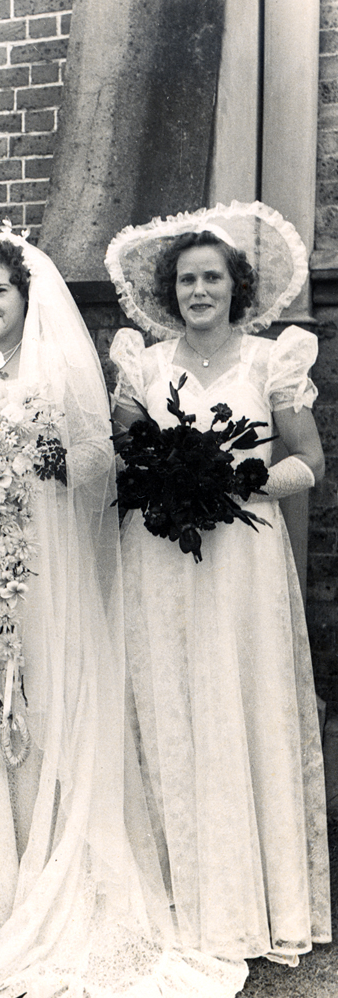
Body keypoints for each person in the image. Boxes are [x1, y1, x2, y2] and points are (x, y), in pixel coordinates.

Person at [0, 219, 249, 997]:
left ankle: (49, 853)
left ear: (24, 295)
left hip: (42, 555)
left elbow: (94, 460)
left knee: (41, 690)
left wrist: (28, 457)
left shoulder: (54, 362)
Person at [106, 200, 331, 967]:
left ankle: (245, 896)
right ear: (170, 292)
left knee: (237, 700)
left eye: (210, 277)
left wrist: (243, 477)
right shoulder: (144, 362)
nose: (197, 290)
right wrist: (164, 472)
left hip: (239, 558)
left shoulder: (274, 360)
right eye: (184, 280)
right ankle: (171, 884)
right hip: (159, 552)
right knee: (165, 694)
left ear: (236, 286)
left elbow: (310, 462)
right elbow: (127, 449)